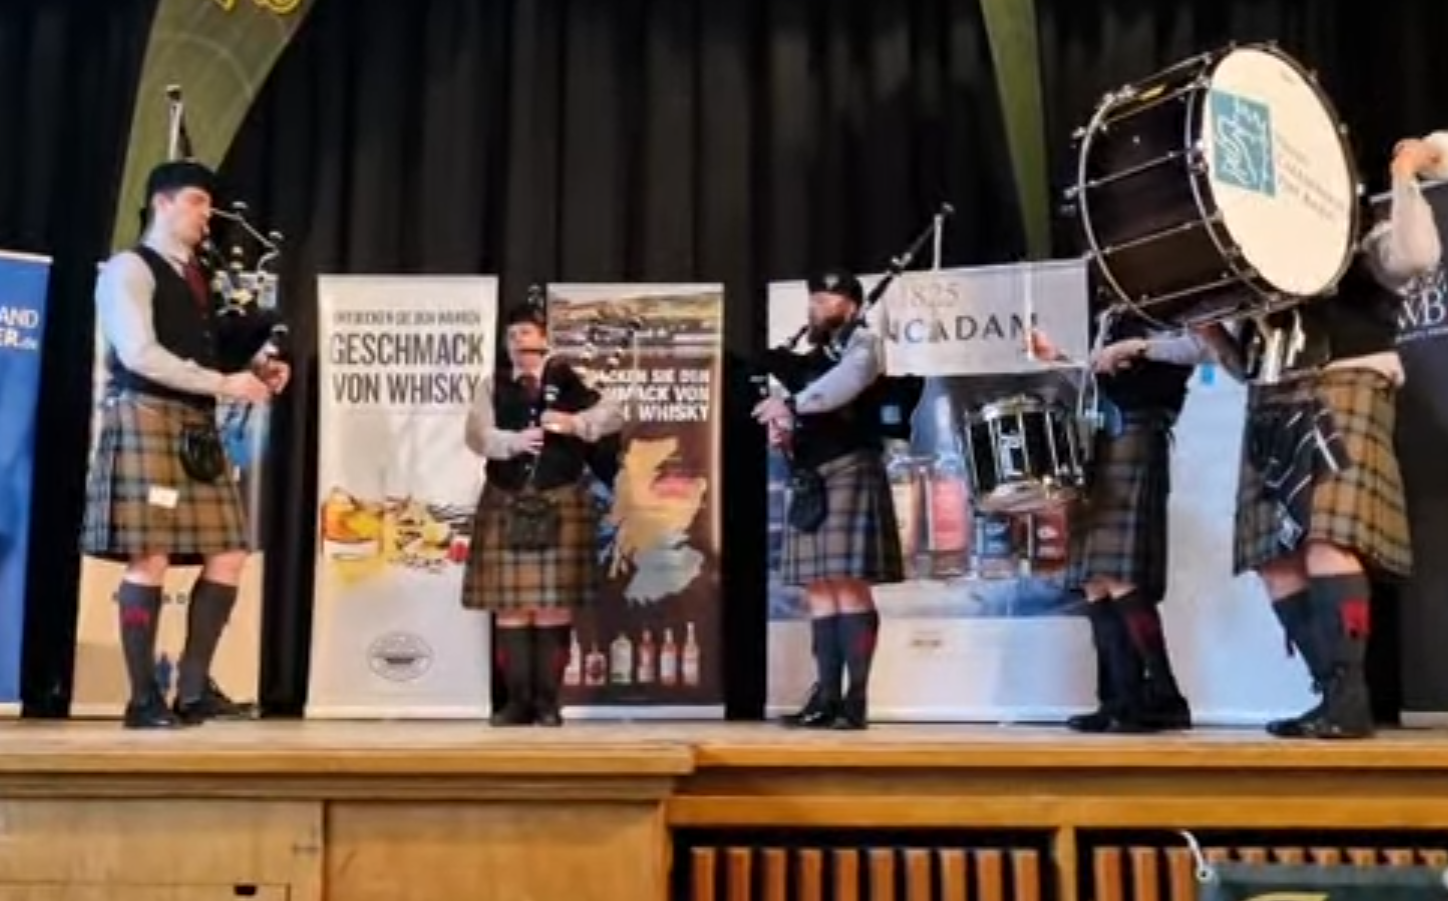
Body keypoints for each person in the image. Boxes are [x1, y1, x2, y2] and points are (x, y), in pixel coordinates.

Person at [1224, 135, 1442, 741]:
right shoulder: (1254, 259)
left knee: (1328, 541)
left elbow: (1416, 256)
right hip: (1271, 394)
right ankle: (1331, 693)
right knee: (1273, 561)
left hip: (1345, 381)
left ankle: (1349, 698)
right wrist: (1211, 329)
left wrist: (1404, 173)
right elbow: (1234, 360)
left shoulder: (1361, 235)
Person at [81, 160, 289, 729]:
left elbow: (202, 347)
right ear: (161, 203)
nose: (207, 214)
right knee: (150, 555)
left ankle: (194, 690)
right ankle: (142, 699)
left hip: (195, 425)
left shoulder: (196, 275)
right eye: (197, 201)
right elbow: (139, 353)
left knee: (230, 552)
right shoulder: (129, 268)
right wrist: (225, 384)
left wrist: (256, 368)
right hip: (147, 418)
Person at [1028, 314, 1208, 732]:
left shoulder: (1170, 304)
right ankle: (1118, 700)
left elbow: (1200, 347)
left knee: (1120, 577)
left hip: (1138, 431)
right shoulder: (1112, 314)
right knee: (1094, 581)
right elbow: (1099, 386)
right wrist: (1060, 360)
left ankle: (1164, 697)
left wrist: (1137, 347)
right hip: (1100, 437)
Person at [752, 270, 905, 730]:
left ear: (852, 306)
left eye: (827, 298)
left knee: (849, 585)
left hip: (849, 466)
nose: (816, 305)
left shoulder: (863, 345)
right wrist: (784, 425)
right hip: (810, 475)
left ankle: (855, 701)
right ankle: (826, 698)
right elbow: (799, 400)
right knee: (819, 587)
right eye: (814, 298)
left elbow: (846, 383)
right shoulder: (811, 358)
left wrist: (791, 406)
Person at [460, 301, 624, 728]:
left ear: (544, 339)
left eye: (526, 334)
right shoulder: (492, 385)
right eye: (512, 336)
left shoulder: (570, 378)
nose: (519, 342)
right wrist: (511, 441)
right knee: (511, 607)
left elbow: (614, 415)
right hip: (506, 496)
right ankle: (517, 703)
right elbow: (476, 434)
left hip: (559, 497)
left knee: (552, 607)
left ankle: (549, 704)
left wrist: (573, 423)